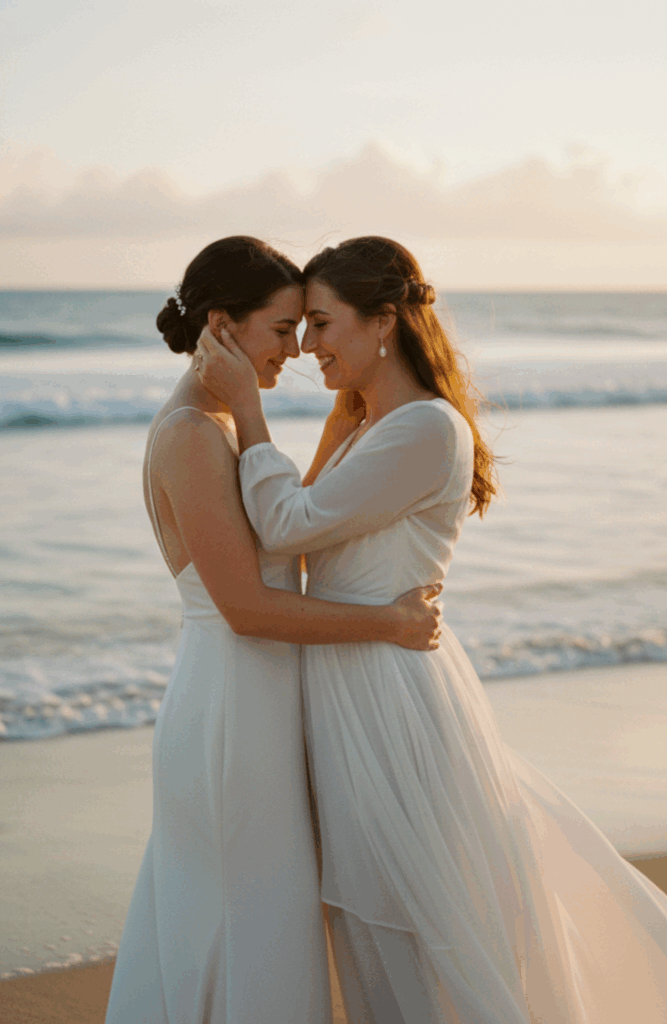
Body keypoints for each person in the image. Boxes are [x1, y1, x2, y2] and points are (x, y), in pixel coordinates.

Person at [196, 235, 667, 1023]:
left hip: (388, 693)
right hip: (356, 679)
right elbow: (299, 531)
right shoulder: (378, 426)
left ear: (384, 323)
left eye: (325, 325)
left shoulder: (425, 430)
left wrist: (250, 409)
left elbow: (285, 527)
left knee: (413, 919)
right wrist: (336, 425)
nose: (308, 347)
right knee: (378, 920)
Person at [104, 236, 443, 1024]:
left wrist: (342, 418)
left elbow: (295, 529)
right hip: (231, 711)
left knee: (256, 926)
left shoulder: (221, 421)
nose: (295, 350)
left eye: (304, 329)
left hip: (256, 702)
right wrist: (388, 623)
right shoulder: (194, 432)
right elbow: (247, 608)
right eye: (281, 329)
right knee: (244, 924)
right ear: (221, 326)